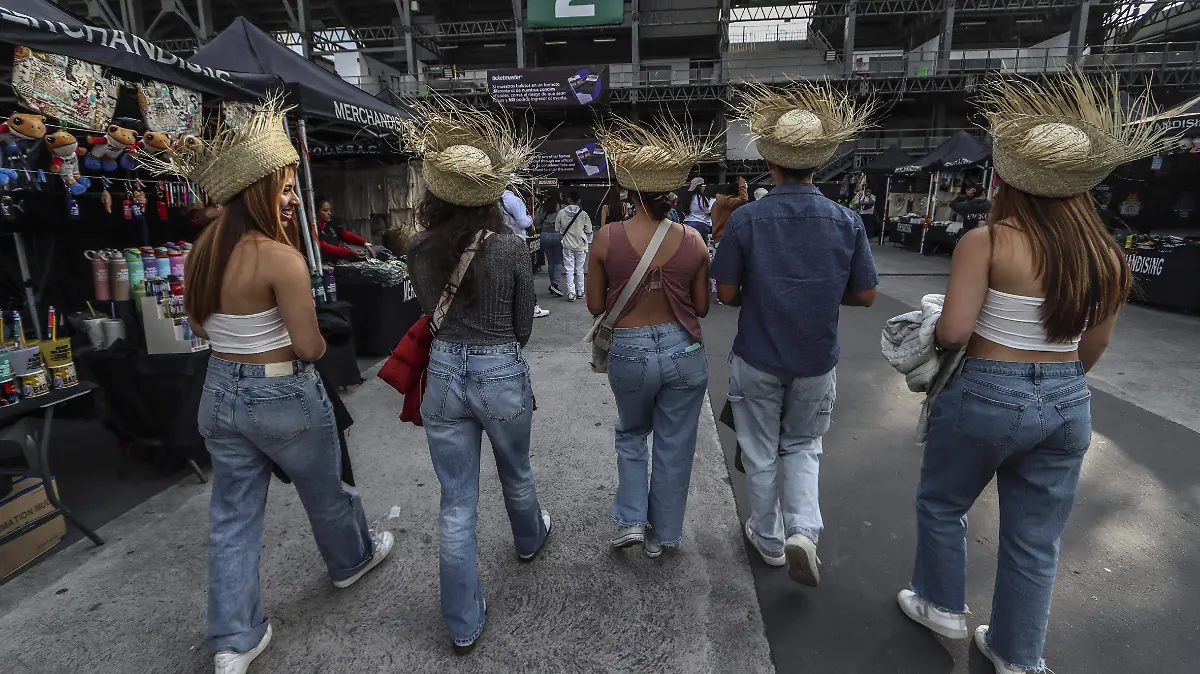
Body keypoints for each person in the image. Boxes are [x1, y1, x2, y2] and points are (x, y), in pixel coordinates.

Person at [895, 72, 1174, 674]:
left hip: (986, 391)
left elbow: (954, 333)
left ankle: (941, 605)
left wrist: (935, 329)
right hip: (1068, 399)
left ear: (1012, 177)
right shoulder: (1107, 256)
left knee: (942, 503)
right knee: (1035, 539)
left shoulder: (987, 242)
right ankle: (1018, 655)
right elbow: (1093, 346)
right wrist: (1057, 383)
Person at [160, 99, 392, 674]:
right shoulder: (280, 259)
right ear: (257, 191)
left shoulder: (200, 253)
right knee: (326, 491)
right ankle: (351, 561)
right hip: (281, 394)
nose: (294, 200)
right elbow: (311, 348)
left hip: (219, 393)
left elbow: (198, 328)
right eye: (286, 189)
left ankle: (234, 641)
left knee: (232, 519)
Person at [713, 81, 877, 586]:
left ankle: (768, 539)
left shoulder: (746, 220)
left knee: (760, 451)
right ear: (819, 161)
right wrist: (823, 293)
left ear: (771, 160)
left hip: (757, 355)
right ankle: (803, 530)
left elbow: (726, 294)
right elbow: (866, 294)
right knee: (804, 446)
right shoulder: (847, 220)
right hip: (816, 358)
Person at [402, 98, 551, 654]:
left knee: (456, 500)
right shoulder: (510, 247)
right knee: (516, 471)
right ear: (491, 193)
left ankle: (462, 622)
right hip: (499, 370)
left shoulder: (418, 248)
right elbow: (523, 324)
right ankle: (529, 539)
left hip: (443, 373)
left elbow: (429, 313)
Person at [588, 115, 718, 557]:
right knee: (675, 443)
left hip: (629, 350)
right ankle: (663, 536)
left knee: (631, 433)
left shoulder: (606, 238)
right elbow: (701, 308)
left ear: (631, 190)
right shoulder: (694, 240)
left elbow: (595, 305)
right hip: (685, 349)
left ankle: (630, 520)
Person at [500, 185, 550, 318]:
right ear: (511, 186)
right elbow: (523, 222)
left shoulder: (494, 200)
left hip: (498, 241)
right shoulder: (513, 200)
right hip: (517, 241)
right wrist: (530, 219)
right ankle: (532, 307)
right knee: (523, 276)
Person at [555, 191, 593, 302]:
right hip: (580, 244)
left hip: (567, 244)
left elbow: (557, 228)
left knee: (569, 269)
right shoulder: (583, 214)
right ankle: (580, 291)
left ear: (569, 200)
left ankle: (571, 293)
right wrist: (588, 241)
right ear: (579, 201)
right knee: (580, 269)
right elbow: (589, 230)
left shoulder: (561, 213)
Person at [315, 196, 374, 260]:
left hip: (342, 252)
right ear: (315, 212)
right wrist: (349, 252)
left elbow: (345, 235)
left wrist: (365, 243)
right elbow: (325, 248)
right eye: (325, 211)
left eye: (330, 210)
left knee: (378, 249)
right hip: (331, 258)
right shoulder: (315, 229)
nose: (329, 213)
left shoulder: (331, 223)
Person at [537, 189, 565, 297]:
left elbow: (536, 222)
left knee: (550, 261)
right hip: (558, 235)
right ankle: (555, 284)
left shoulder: (542, 208)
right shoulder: (562, 207)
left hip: (545, 235)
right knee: (558, 260)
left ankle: (552, 282)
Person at [710, 176, 749, 246]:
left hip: (720, 239)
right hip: (725, 239)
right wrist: (742, 185)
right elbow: (743, 199)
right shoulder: (727, 202)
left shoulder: (720, 202)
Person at [680, 176, 713, 241]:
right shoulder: (702, 199)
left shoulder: (687, 198)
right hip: (700, 224)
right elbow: (708, 211)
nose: (704, 188)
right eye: (703, 186)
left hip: (687, 223)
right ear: (700, 187)